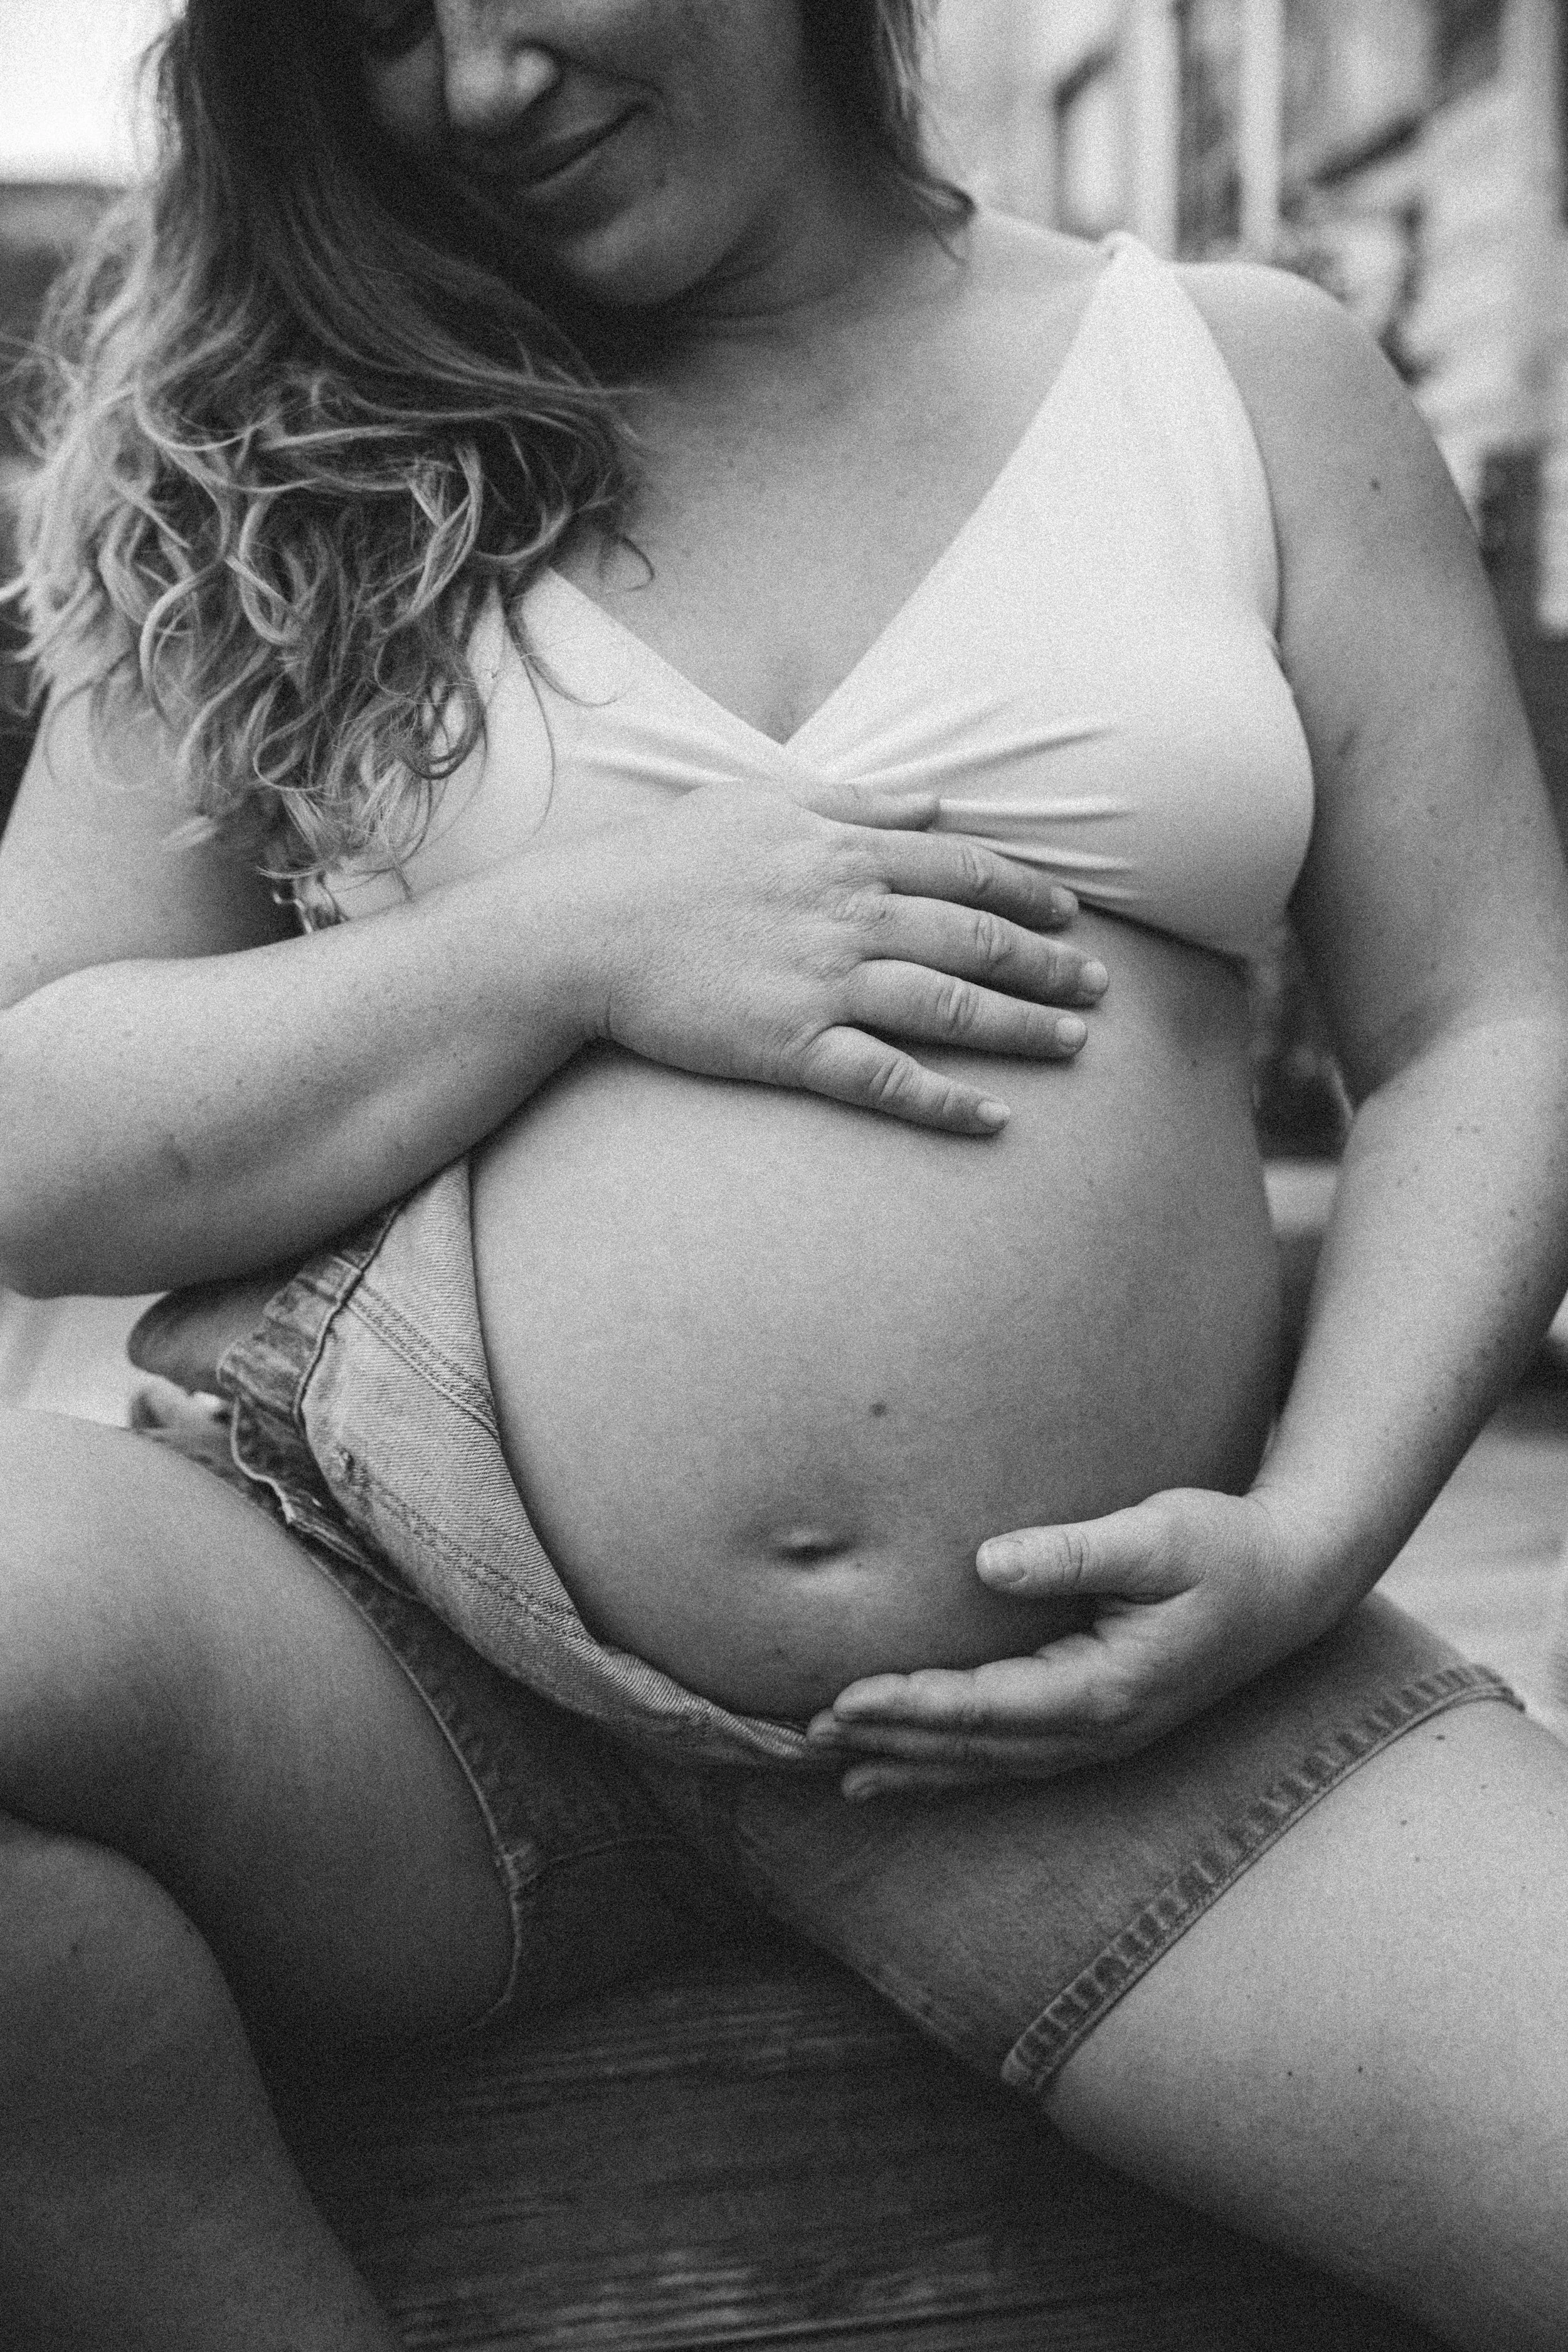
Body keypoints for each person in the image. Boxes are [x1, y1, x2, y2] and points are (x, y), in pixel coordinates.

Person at [1, 2, 1566, 2344]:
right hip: (394, 1657)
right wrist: (578, 938)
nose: (470, 87)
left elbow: (1483, 1028)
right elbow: (32, 1123)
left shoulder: (1231, 377)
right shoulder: (276, 440)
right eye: (379, 31)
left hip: (1106, 1712)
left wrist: (1303, 1534)